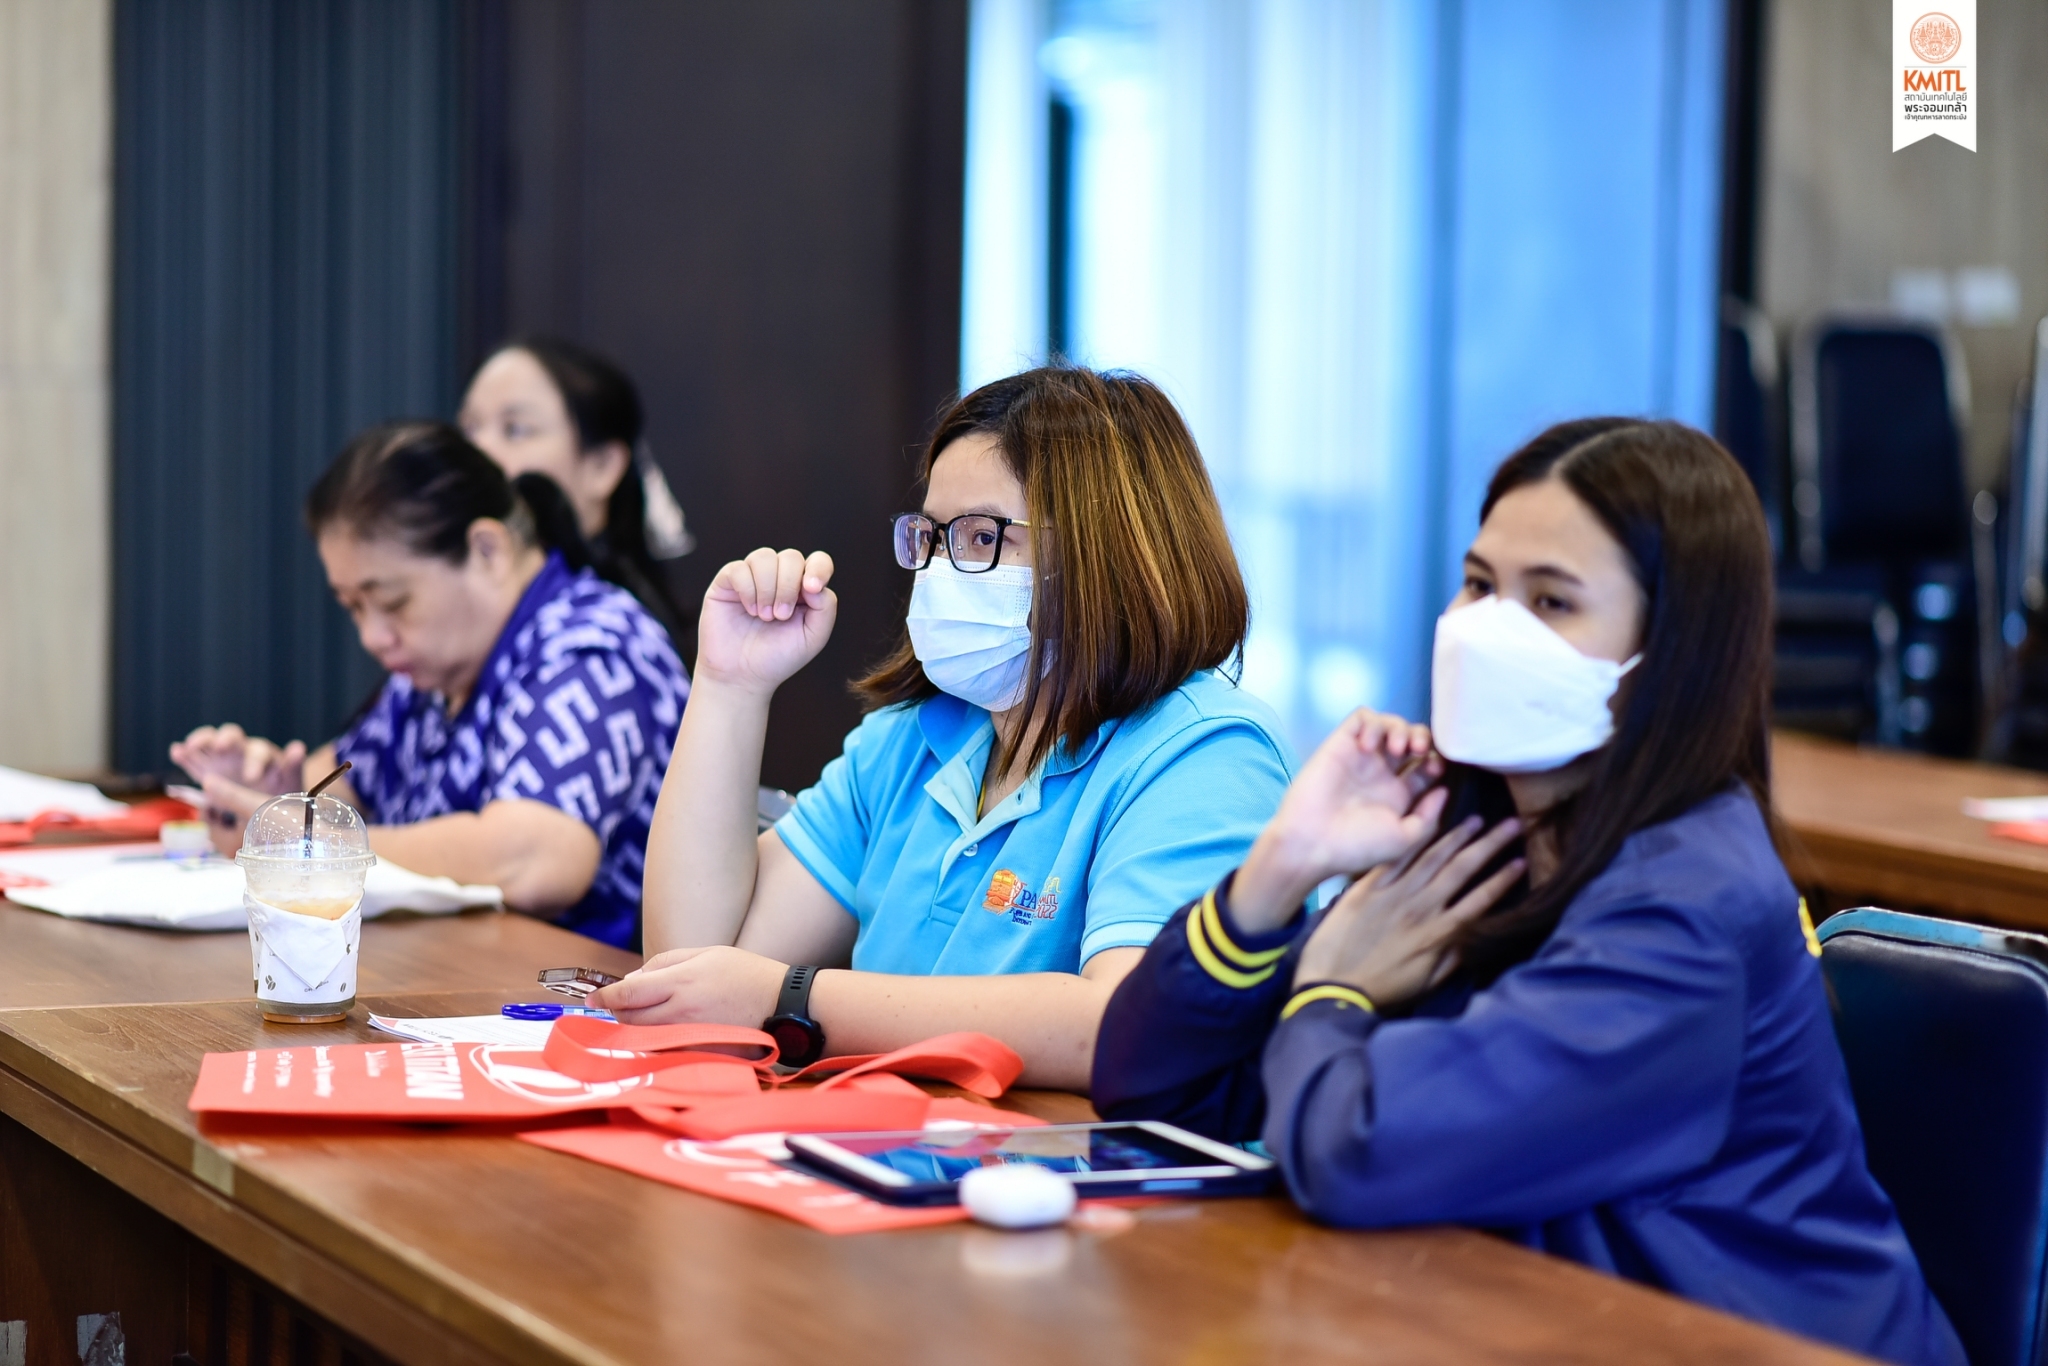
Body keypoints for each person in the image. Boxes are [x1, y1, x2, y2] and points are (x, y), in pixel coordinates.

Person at [1091, 418, 1964, 1365]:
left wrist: (1331, 997)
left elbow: (1360, 1153)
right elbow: (1154, 1092)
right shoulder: (1470, 829)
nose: (1489, 628)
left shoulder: (1688, 907)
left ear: (1671, 649)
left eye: (1551, 600)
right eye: (1479, 584)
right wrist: (1280, 869)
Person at [587, 366, 1295, 1090]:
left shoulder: (1207, 753)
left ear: (1107, 553)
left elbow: (1126, 1022)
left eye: (982, 537)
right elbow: (693, 973)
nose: (938, 568)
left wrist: (793, 998)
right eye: (929, 537)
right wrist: (729, 685)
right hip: (893, 1144)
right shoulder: (911, 741)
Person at [170, 421, 690, 950]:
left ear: (487, 550)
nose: (372, 637)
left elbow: (536, 862)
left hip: (574, 988)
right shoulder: (436, 669)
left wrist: (315, 841)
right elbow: (340, 789)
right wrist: (264, 798)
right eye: (354, 607)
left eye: (392, 602)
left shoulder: (591, 647)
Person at [459, 336, 693, 644]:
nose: (478, 451)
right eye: (469, 430)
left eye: (515, 430)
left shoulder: (608, 636)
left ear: (602, 466)